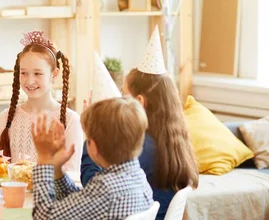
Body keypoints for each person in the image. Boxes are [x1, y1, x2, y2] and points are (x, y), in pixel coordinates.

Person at [81, 26, 199, 219]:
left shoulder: (144, 146)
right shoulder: (172, 138)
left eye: (124, 95)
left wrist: (91, 134)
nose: (120, 101)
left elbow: (93, 186)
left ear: (140, 102)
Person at [32, 97, 154, 219]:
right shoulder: (137, 176)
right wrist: (57, 170)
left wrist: (44, 158)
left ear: (93, 147)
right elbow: (80, 205)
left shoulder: (105, 188)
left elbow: (44, 216)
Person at [0, 31, 83, 171]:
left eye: (38, 73)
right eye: (24, 73)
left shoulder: (70, 120)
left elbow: (72, 176)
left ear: (54, 75)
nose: (30, 81)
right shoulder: (5, 119)